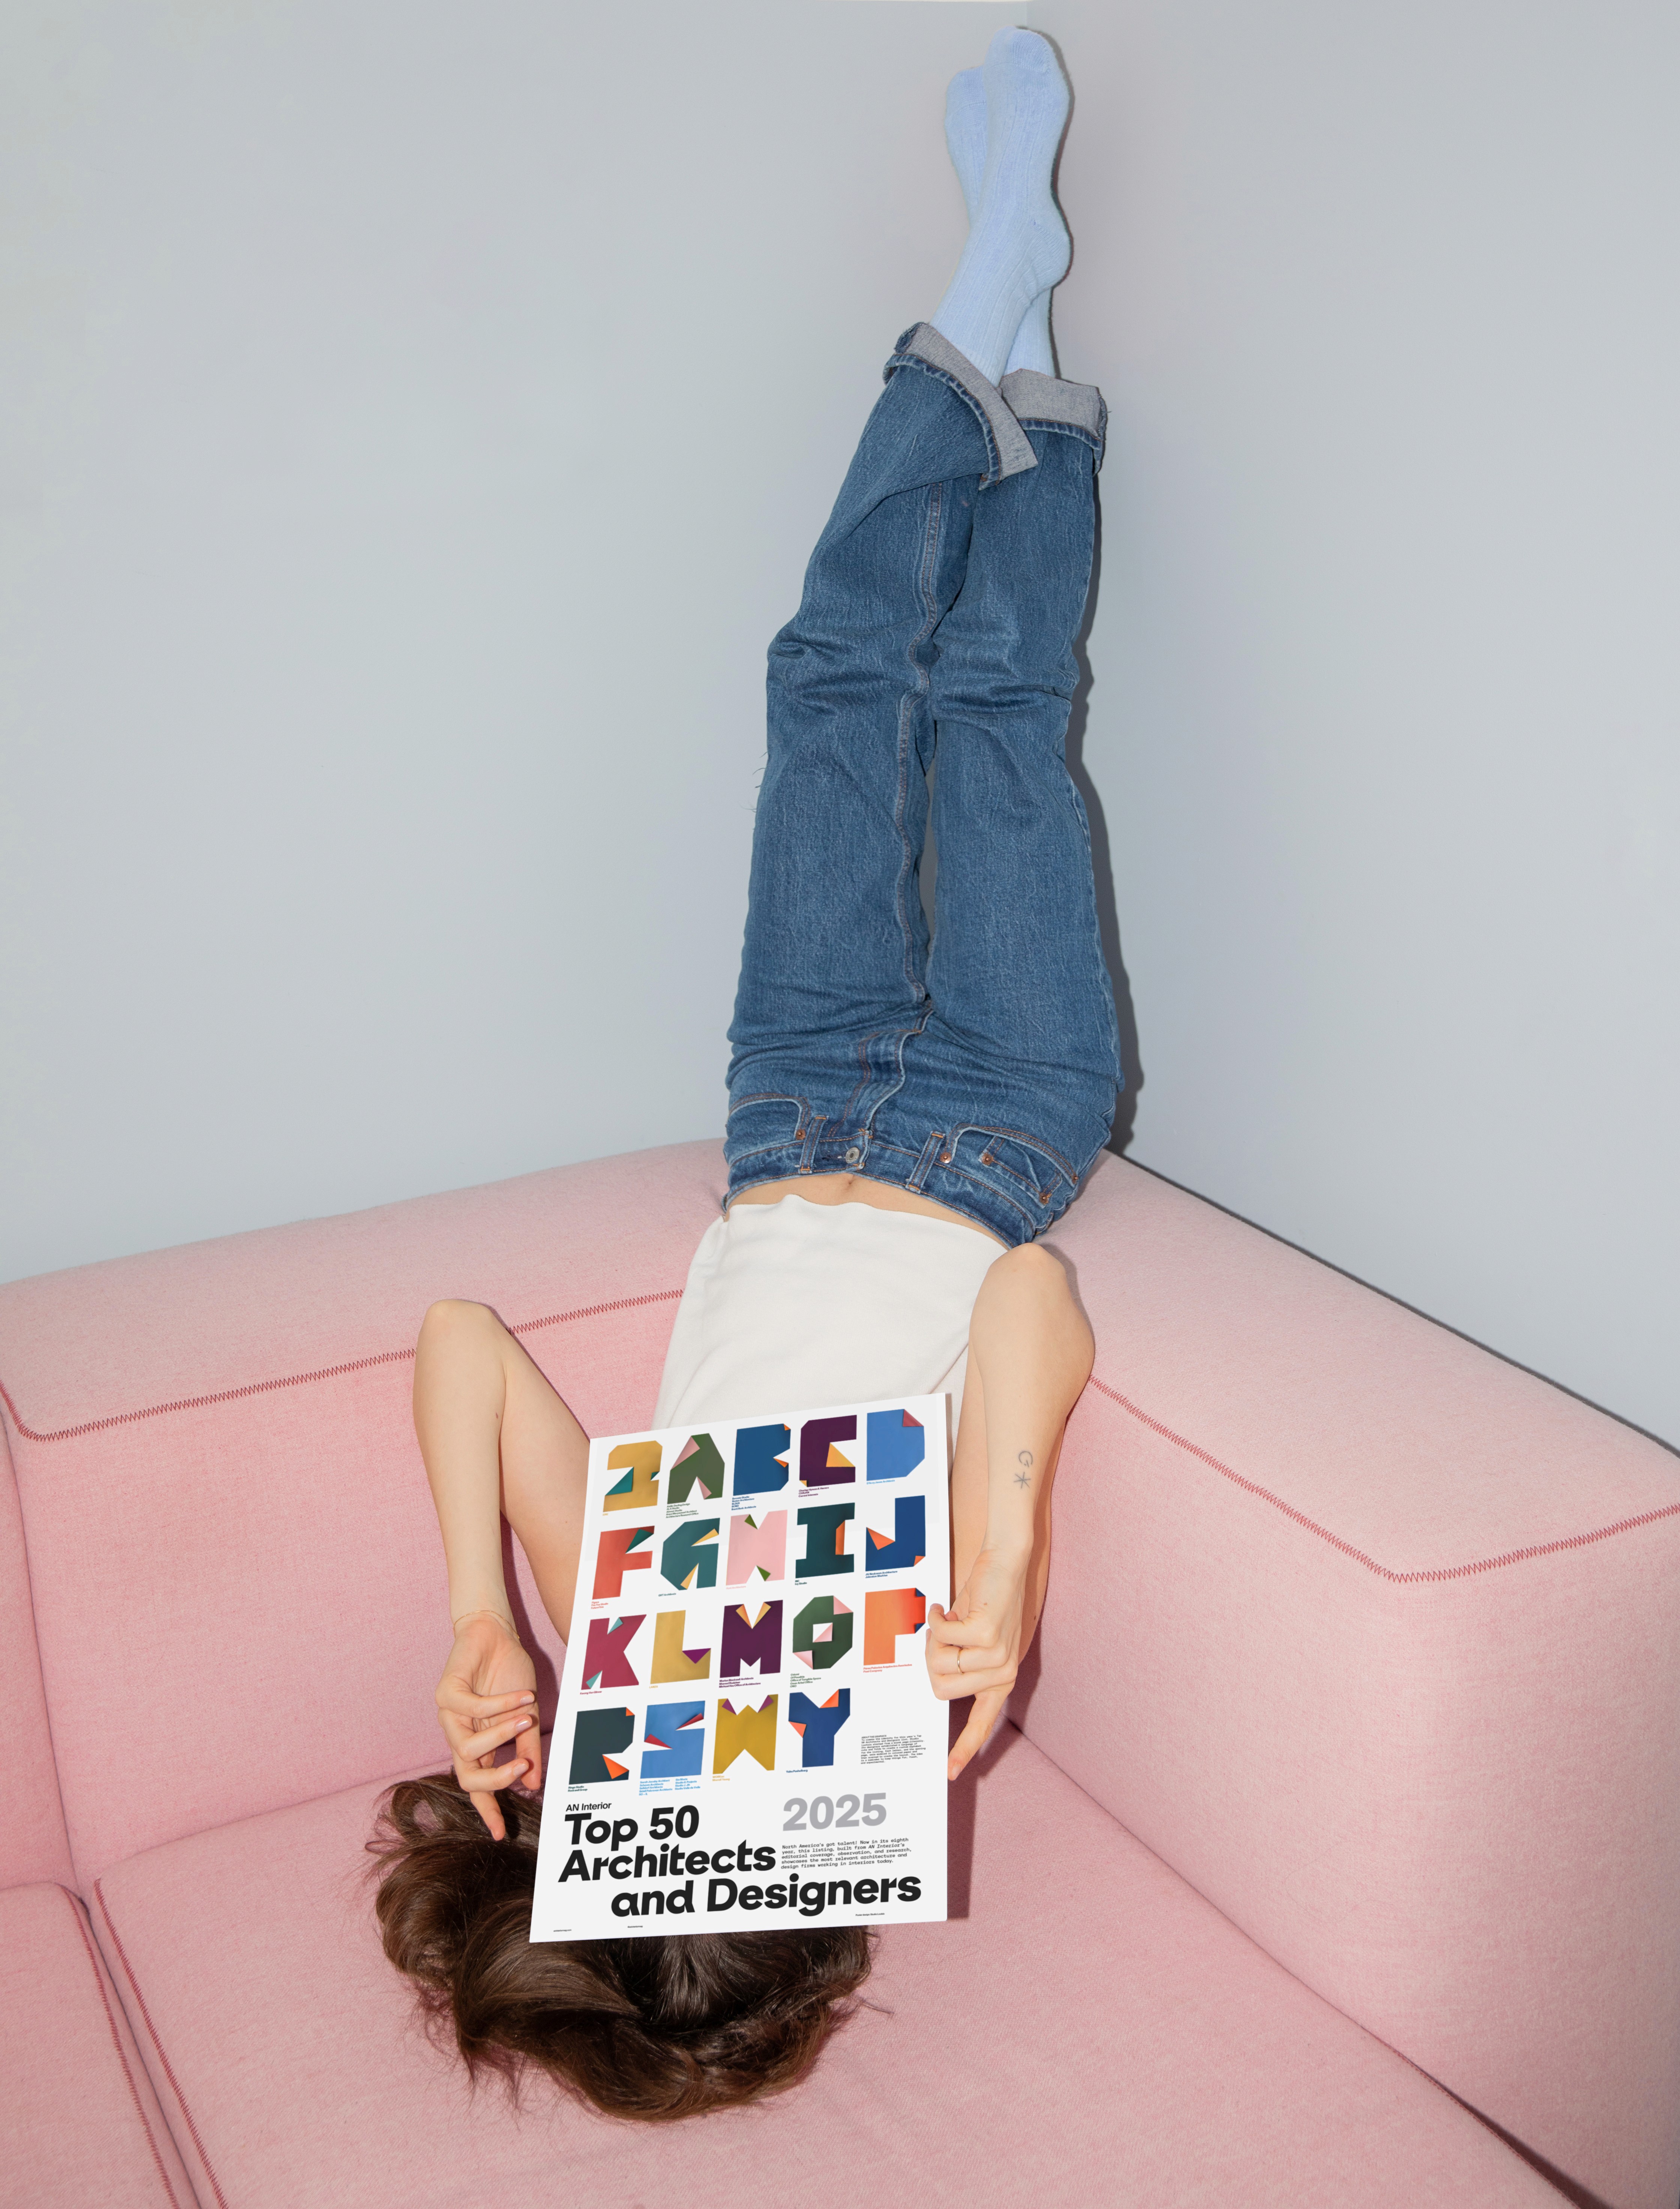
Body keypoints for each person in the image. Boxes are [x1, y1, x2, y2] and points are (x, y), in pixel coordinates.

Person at [371, 25, 1121, 2121]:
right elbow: (1033, 1301)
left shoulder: (617, 1620)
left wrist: (484, 1613)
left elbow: (459, 1338)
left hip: (788, 1104)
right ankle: (1015, 337)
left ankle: (993, 313)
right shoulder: (927, 1663)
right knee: (999, 712)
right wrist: (997, 1581)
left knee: (828, 684)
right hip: (1002, 1122)